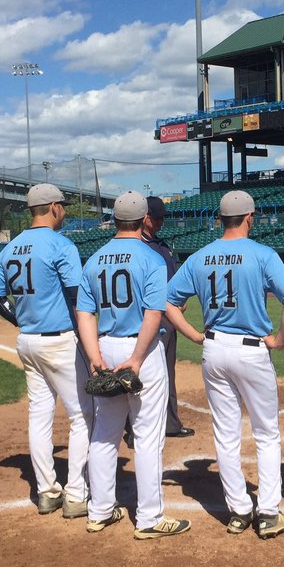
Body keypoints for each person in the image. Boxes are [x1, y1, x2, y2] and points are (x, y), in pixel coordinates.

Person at [164, 190, 284, 539]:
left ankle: (239, 510)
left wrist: (194, 335)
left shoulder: (199, 257)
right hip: (251, 349)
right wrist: (281, 340)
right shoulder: (262, 254)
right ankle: (268, 513)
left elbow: (167, 302)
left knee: (226, 435)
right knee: (266, 433)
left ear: (220, 219)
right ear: (249, 217)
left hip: (214, 349)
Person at [75, 191, 190, 540]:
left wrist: (94, 356)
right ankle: (150, 517)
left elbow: (84, 313)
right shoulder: (152, 258)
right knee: (147, 436)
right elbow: (154, 314)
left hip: (105, 345)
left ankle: (99, 511)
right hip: (141, 348)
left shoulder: (94, 260)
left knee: (105, 432)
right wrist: (137, 359)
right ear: (143, 220)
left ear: (114, 219)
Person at [0, 183, 90, 518]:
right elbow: (77, 297)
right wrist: (92, 340)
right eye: (63, 206)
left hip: (28, 341)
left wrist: (19, 319)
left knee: (40, 416)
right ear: (54, 207)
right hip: (60, 341)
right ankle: (76, 495)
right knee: (82, 416)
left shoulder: (10, 248)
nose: (65, 211)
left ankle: (46, 492)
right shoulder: (61, 245)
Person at [142, 196, 193, 439]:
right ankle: (137, 428)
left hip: (168, 318)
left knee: (167, 372)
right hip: (149, 318)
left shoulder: (162, 245)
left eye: (162, 217)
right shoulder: (139, 247)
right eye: (156, 217)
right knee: (146, 374)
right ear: (144, 217)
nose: (161, 221)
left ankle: (170, 423)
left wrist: (176, 304)